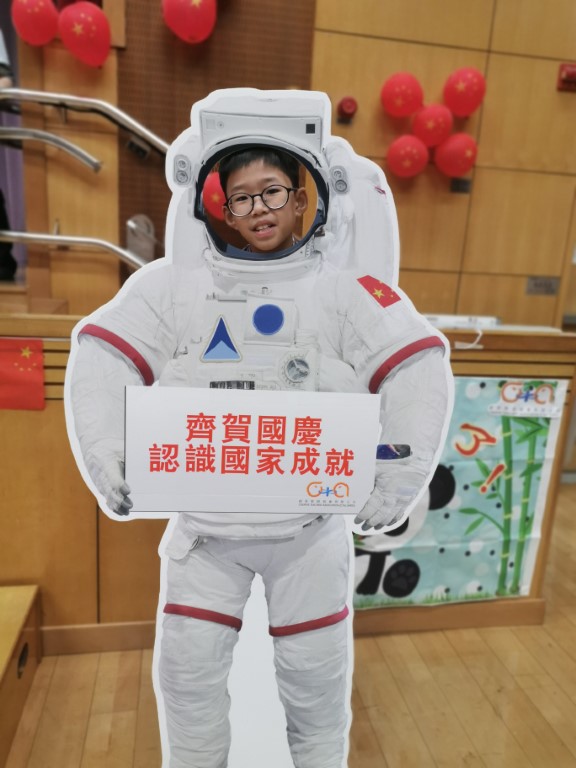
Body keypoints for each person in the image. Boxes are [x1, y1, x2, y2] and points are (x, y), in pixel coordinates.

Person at [65, 89, 452, 768]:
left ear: (304, 198)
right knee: (187, 680)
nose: (258, 209)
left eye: (272, 191)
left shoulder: (343, 291)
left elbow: (416, 364)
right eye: (240, 198)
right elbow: (104, 353)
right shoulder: (175, 286)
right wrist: (107, 453)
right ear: (217, 207)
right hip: (206, 533)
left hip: (307, 533)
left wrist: (396, 476)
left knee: (315, 685)